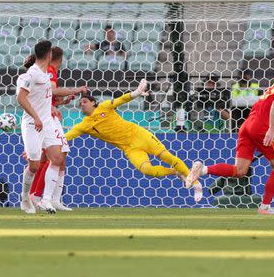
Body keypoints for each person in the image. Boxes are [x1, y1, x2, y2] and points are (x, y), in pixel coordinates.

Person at [185, 58, 274, 215]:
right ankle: (265, 207)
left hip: (247, 125)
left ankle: (202, 170)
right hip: (261, 128)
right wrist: (271, 129)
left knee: (240, 171)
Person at [66, 80, 204, 202]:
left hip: (139, 135)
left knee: (166, 156)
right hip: (130, 149)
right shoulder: (83, 125)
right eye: (79, 104)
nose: (81, 105)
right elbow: (67, 136)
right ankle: (176, 172)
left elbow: (122, 99)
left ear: (93, 102)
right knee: (147, 170)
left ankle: (196, 184)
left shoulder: (104, 107)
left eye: (84, 102)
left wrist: (137, 92)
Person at [28, 47, 87, 211]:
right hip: (47, 119)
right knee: (55, 157)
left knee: (61, 157)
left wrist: (61, 102)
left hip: (50, 116)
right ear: (60, 59)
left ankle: (54, 199)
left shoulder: (46, 71)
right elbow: (52, 90)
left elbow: (48, 96)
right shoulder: (50, 70)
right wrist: (77, 89)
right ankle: (41, 196)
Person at [16, 40, 72, 214]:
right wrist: (36, 117)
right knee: (33, 166)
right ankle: (26, 198)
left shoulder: (45, 75)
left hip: (46, 122)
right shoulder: (30, 75)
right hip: (33, 124)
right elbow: (21, 98)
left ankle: (46, 200)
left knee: (57, 157)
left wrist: (56, 105)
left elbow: (46, 98)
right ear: (48, 55)